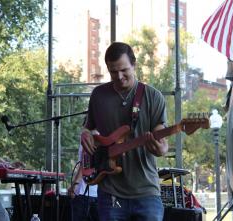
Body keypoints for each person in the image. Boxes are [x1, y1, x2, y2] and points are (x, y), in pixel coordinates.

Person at [81, 42, 169, 221]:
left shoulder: (153, 96)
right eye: (113, 72)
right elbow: (88, 128)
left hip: (146, 191)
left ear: (134, 64)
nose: (119, 76)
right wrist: (85, 134)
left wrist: (161, 149)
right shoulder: (98, 95)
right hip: (110, 190)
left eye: (124, 70)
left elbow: (162, 137)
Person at [68, 143, 99, 221]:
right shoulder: (103, 136)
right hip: (98, 193)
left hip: (83, 192)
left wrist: (74, 185)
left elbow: (84, 165)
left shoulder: (87, 137)